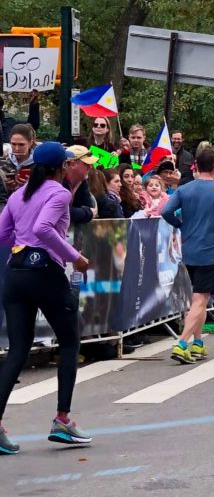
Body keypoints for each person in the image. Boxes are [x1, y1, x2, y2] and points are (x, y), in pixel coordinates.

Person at [0, 141, 92, 453]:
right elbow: (43, 228)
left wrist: (20, 247)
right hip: (45, 272)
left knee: (17, 350)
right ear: (62, 167)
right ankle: (62, 419)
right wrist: (74, 256)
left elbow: (2, 234)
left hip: (15, 272)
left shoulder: (18, 195)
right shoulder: (59, 193)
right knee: (69, 342)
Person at [161, 147, 214, 364]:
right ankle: (182, 343)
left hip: (189, 250)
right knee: (200, 299)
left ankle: (198, 343)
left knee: (198, 298)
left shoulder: (184, 189)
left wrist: (181, 224)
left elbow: (166, 212)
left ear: (196, 165)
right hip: (210, 251)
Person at [64, 145, 98, 226]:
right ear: (72, 164)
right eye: (86, 163)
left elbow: (90, 208)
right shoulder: (57, 181)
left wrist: (84, 213)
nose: (90, 166)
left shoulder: (82, 182)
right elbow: (59, 211)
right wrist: (86, 213)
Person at [3, 123, 36, 192]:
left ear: (30, 143)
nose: (17, 148)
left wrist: (30, 185)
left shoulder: (38, 164)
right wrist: (4, 187)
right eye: (13, 144)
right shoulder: (3, 162)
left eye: (21, 145)